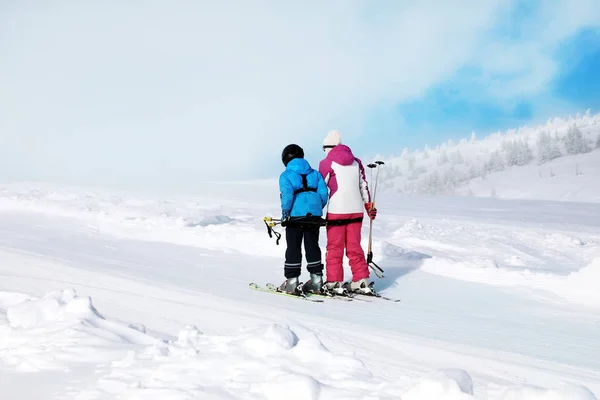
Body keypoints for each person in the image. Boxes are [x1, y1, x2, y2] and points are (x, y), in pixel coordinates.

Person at [318, 130, 377, 294]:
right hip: (357, 211)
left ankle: (334, 282)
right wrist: (369, 207)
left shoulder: (326, 163)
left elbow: (321, 190)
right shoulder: (356, 162)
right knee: (354, 247)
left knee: (334, 247)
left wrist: (316, 210)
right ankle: (361, 280)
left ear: (329, 147)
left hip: (337, 210)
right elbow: (363, 186)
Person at [278, 144, 329, 295]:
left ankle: (292, 282)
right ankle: (316, 281)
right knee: (312, 246)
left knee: (293, 248)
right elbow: (324, 194)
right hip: (314, 217)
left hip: (295, 217)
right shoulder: (316, 174)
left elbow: (287, 196)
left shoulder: (285, 175)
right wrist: (316, 208)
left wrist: (285, 213)